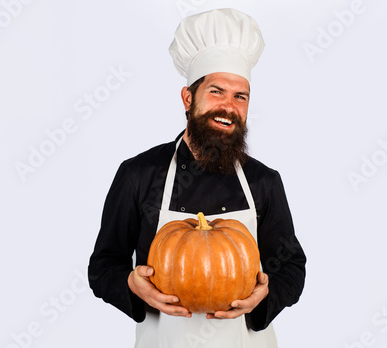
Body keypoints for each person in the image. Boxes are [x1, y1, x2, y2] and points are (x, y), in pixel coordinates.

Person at [88, 8, 306, 348]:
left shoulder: (264, 181)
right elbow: (103, 267)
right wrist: (130, 285)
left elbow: (291, 266)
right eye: (216, 92)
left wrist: (267, 294)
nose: (228, 107)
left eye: (240, 96)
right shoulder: (139, 174)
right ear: (188, 98)